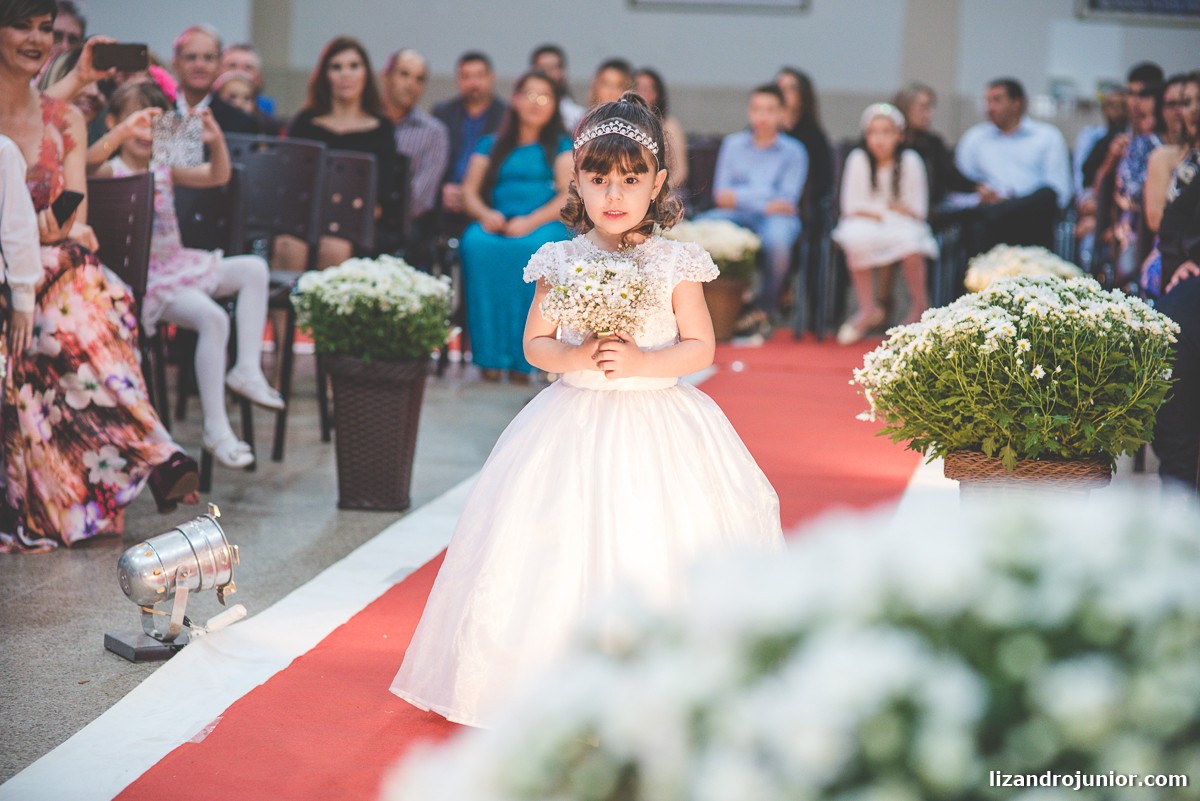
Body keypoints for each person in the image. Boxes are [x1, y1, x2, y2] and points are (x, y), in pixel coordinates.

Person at [390, 92, 783, 727]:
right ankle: (546, 675)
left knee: (654, 543)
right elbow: (536, 342)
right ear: (576, 180)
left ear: (657, 183)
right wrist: (578, 358)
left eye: (630, 179)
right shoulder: (562, 258)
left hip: (658, 418)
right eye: (598, 179)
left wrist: (642, 363)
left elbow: (700, 345)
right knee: (553, 547)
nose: (614, 194)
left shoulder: (673, 261)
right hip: (572, 417)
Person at [0, 0, 199, 553]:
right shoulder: (43, 112)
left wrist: (47, 226)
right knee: (75, 306)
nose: (38, 39)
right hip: (21, 268)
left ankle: (146, 450)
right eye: (24, 25)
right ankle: (153, 449)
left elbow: (73, 208)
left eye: (47, 29)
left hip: (55, 263)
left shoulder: (65, 118)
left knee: (88, 293)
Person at [91, 80, 283, 468]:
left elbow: (217, 176)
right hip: (147, 280)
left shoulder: (164, 167)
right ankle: (216, 429)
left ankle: (246, 367)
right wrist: (121, 132)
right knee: (213, 317)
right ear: (114, 123)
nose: (146, 133)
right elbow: (82, 163)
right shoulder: (109, 169)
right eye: (136, 123)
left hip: (179, 264)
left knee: (254, 268)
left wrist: (215, 141)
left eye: (155, 124)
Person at [458, 71, 572, 382]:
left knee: (537, 250)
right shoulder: (490, 144)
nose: (536, 103)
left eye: (545, 97)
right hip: (497, 221)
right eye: (530, 95)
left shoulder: (561, 146)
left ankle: (527, 359)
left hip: (542, 223)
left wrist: (530, 221)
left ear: (555, 106)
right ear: (516, 100)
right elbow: (468, 191)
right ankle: (489, 357)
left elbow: (567, 195)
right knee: (475, 243)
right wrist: (485, 214)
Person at [697, 83, 807, 324]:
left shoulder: (794, 151)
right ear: (749, 111)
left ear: (781, 114)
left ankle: (764, 307)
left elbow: (787, 201)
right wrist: (765, 198)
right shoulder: (733, 145)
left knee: (778, 243)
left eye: (770, 110)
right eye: (757, 109)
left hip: (777, 219)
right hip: (735, 214)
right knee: (700, 228)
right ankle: (706, 308)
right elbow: (721, 195)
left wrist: (741, 197)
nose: (763, 116)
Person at [284, 36, 396, 270]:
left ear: (365, 73)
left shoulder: (381, 128)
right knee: (288, 245)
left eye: (354, 66)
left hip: (357, 223)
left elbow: (382, 195)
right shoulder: (305, 123)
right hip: (305, 217)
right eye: (337, 67)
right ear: (325, 75)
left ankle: (326, 308)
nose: (346, 74)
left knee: (334, 246)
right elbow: (289, 182)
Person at [831, 103, 936, 345]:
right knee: (855, 238)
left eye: (886, 132)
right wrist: (885, 209)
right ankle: (868, 308)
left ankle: (920, 306)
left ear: (899, 135)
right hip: (864, 222)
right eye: (873, 132)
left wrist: (886, 211)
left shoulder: (911, 161)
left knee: (912, 243)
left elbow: (917, 210)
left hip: (902, 224)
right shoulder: (857, 159)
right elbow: (850, 206)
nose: (879, 139)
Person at [953, 77, 1071, 256]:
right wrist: (980, 197)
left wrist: (1013, 204)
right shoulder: (975, 138)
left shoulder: (1047, 136)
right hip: (988, 220)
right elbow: (958, 190)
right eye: (987, 101)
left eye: (997, 100)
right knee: (979, 222)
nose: (990, 108)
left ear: (1017, 103)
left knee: (1045, 195)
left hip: (1031, 220)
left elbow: (1060, 191)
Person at [379, 48, 448, 245]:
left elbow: (420, 200)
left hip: (403, 225)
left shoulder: (434, 132)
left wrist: (380, 210)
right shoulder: (366, 122)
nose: (411, 84)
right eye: (404, 74)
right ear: (386, 76)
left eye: (419, 79)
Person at [433, 51, 506, 219]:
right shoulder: (443, 113)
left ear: (491, 77)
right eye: (466, 76)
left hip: (486, 198)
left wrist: (470, 194)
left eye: (479, 76)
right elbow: (433, 160)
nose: (473, 83)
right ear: (458, 80)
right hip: (444, 197)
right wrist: (442, 188)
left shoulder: (506, 117)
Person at [892, 81, 974, 208]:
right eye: (924, 107)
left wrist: (978, 188)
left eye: (930, 108)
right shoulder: (888, 144)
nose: (929, 114)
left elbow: (954, 178)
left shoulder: (933, 143)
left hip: (932, 210)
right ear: (905, 108)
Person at [171, 24, 258, 134]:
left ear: (219, 65)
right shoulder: (156, 112)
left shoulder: (242, 122)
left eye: (208, 58)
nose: (199, 65)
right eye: (191, 57)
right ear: (175, 64)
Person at [776, 67, 832, 203]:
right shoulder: (759, 131)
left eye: (790, 88)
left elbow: (822, 183)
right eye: (779, 88)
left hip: (798, 204)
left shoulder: (813, 137)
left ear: (802, 95)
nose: (783, 93)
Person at [633, 67, 688, 190]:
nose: (642, 93)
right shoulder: (623, 124)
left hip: (666, 190)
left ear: (657, 94)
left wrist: (660, 190)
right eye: (638, 87)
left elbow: (681, 172)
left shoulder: (670, 125)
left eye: (648, 89)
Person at [530, 43, 584, 132]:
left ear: (563, 72)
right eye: (542, 69)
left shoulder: (578, 117)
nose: (547, 74)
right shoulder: (522, 113)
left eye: (553, 68)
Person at [220, 42, 276, 118]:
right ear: (218, 71)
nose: (239, 73)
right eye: (232, 65)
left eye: (248, 67)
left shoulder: (265, 108)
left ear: (258, 78)